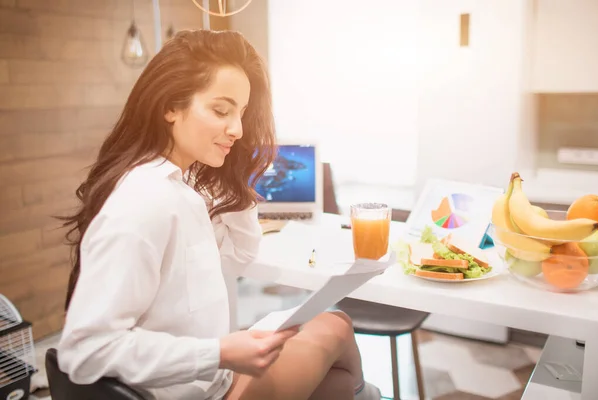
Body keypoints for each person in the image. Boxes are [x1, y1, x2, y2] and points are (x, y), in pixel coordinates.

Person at [57, 29, 381, 400]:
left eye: (241, 113)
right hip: (200, 390)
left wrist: (236, 176)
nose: (238, 130)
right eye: (220, 110)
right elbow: (82, 351)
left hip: (208, 380)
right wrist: (221, 352)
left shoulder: (181, 186)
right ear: (170, 107)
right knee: (338, 328)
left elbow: (241, 254)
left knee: (338, 381)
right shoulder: (146, 199)